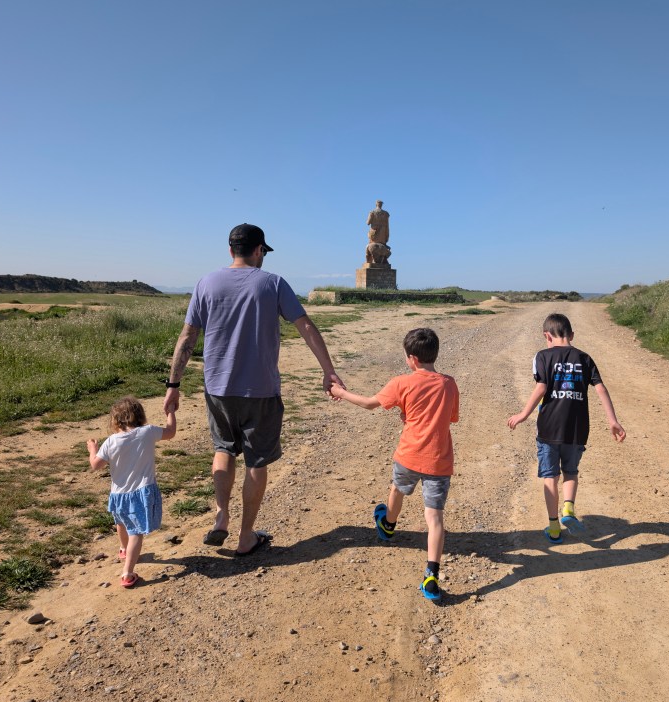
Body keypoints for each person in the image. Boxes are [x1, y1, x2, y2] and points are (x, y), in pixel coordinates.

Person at [164, 223, 344, 556]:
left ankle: (221, 515)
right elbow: (305, 327)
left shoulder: (206, 283)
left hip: (217, 388)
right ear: (259, 250)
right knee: (256, 462)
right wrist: (328, 371)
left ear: (230, 250)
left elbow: (187, 337)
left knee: (223, 449)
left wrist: (173, 384)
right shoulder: (273, 283)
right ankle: (246, 536)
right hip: (260, 390)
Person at [330, 328, 459, 602]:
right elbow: (449, 418)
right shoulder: (449, 384)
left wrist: (340, 392)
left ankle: (388, 525)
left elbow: (369, 404)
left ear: (412, 359)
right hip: (439, 460)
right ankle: (431, 574)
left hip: (409, 455)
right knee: (435, 517)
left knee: (397, 489)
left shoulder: (402, 382)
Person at [507, 313, 626, 542]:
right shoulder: (585, 358)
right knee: (570, 472)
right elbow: (601, 389)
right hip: (577, 429)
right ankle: (568, 509)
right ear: (572, 335)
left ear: (547, 336)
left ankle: (554, 528)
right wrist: (613, 420)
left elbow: (541, 387)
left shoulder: (542, 356)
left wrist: (523, 414)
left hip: (549, 428)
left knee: (550, 477)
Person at [88, 396, 176, 588]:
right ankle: (127, 573)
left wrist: (93, 449)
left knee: (122, 522)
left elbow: (95, 465)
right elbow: (171, 432)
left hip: (118, 495)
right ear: (140, 415)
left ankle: (124, 549)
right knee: (136, 531)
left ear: (115, 420)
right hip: (141, 493)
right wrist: (170, 412)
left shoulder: (111, 441)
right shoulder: (148, 431)